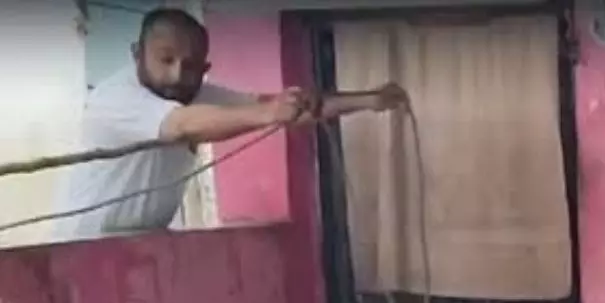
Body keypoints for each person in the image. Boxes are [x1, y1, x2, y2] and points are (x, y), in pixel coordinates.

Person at [55, 6, 407, 241]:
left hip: (145, 242)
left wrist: (369, 100)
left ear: (205, 69)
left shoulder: (197, 93)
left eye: (191, 65)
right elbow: (181, 125)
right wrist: (270, 115)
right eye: (166, 59)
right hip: (83, 247)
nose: (178, 74)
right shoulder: (114, 98)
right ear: (137, 54)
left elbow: (276, 105)